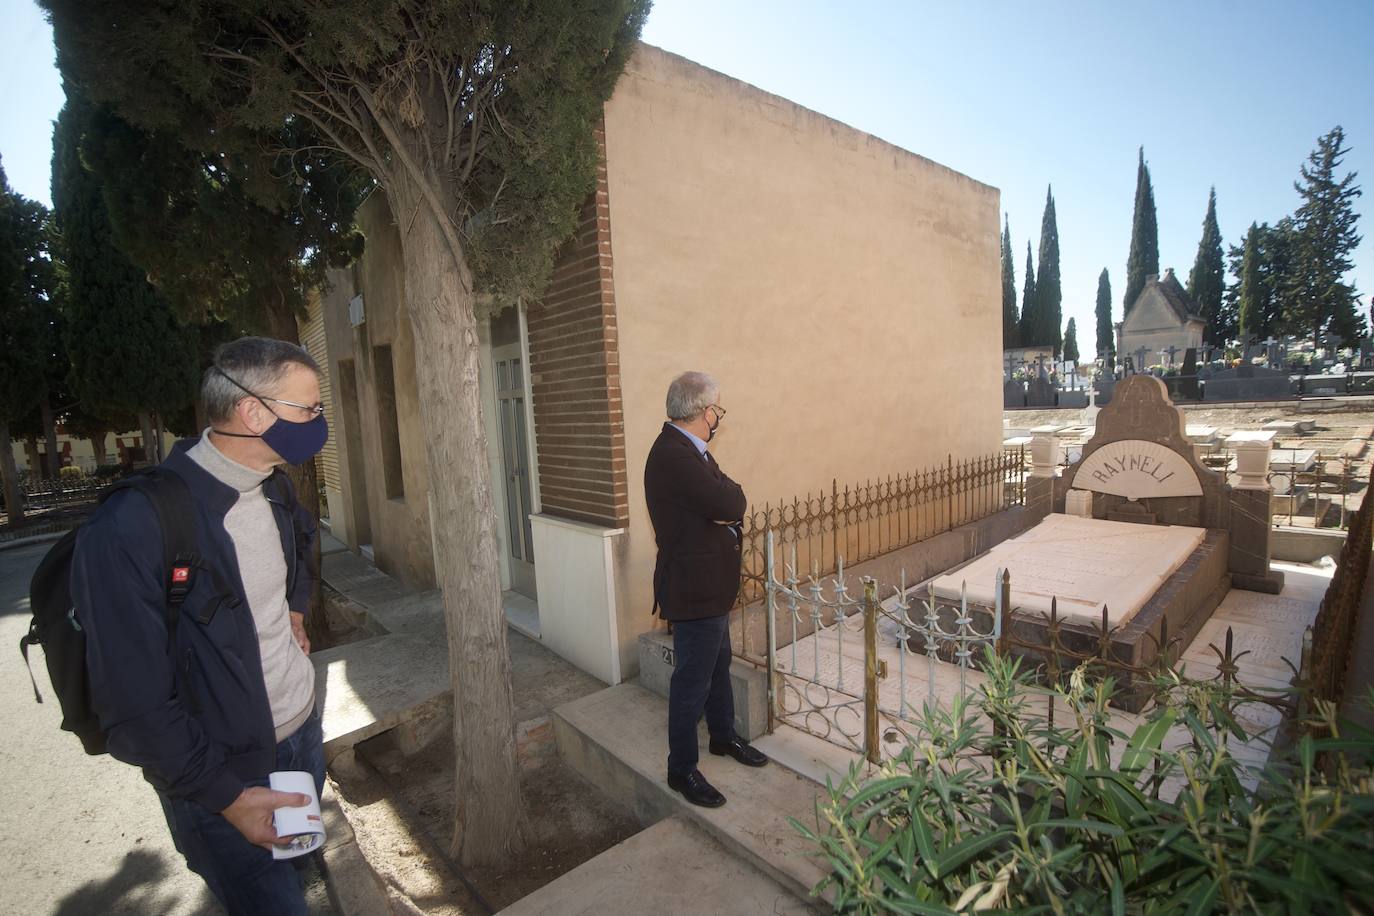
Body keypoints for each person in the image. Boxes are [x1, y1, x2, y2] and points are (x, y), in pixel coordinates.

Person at [71, 337, 329, 915]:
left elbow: (301, 541)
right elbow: (134, 704)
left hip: (300, 736)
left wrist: (292, 604)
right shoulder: (134, 525)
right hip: (221, 776)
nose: (319, 422)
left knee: (297, 873)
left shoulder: (276, 486)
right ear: (253, 412)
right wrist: (227, 797)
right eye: (309, 408)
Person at [644, 371, 768, 808]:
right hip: (694, 591)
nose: (719, 417)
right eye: (718, 410)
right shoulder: (676, 457)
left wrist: (724, 503)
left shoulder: (690, 451)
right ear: (703, 412)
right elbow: (732, 502)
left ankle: (722, 737)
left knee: (718, 666)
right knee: (692, 681)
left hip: (709, 587)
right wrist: (726, 504)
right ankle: (681, 770)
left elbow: (726, 497)